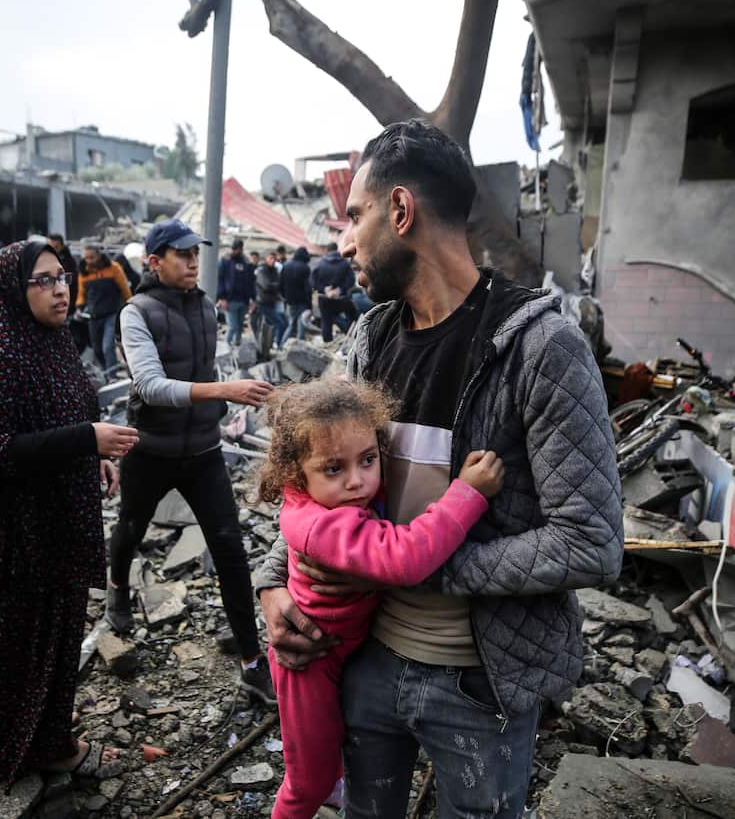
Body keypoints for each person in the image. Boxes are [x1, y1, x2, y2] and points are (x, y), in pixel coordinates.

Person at [255, 120, 623, 818]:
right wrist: (274, 582)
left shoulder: (542, 347)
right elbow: (317, 475)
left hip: (480, 684)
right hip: (364, 659)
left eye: (355, 216)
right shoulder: (370, 338)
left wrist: (409, 564)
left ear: (400, 212)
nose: (345, 241)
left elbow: (592, 541)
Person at [0, 239, 140, 786]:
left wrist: (95, 460)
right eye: (43, 280)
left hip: (56, 525)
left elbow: (77, 406)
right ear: (16, 290)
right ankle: (29, 747)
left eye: (61, 276)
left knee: (58, 636)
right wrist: (84, 439)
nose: (59, 288)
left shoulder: (56, 340)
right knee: (15, 644)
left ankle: (42, 735)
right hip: (13, 539)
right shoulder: (0, 354)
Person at [258, 379, 504, 818]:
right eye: (334, 469)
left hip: (343, 650)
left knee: (330, 746)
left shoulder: (332, 498)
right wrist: (467, 494)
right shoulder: (323, 525)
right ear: (297, 474)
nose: (358, 482)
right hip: (311, 662)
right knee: (305, 782)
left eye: (369, 460)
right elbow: (406, 558)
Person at [109, 219, 276, 704]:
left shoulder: (205, 307)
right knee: (130, 528)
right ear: (154, 261)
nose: (191, 263)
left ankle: (250, 660)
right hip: (151, 450)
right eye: (181, 255)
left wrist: (224, 409)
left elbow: (209, 368)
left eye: (194, 255)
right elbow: (149, 386)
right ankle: (118, 587)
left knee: (230, 549)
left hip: (203, 450)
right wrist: (224, 391)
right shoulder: (135, 312)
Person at [77, 243, 133, 378]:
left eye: (92, 257)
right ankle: (105, 374)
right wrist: (79, 308)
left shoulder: (113, 268)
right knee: (97, 349)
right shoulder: (84, 272)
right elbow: (81, 294)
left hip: (111, 314)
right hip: (93, 316)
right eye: (86, 258)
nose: (89, 261)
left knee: (107, 347)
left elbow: (125, 289)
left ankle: (112, 376)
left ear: (99, 255)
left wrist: (131, 304)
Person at [310, 242, 358, 343]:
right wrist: (340, 289)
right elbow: (351, 280)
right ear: (337, 250)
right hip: (341, 298)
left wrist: (324, 289)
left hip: (324, 298)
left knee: (326, 321)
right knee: (343, 317)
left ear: (326, 250)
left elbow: (312, 282)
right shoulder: (345, 263)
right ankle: (351, 337)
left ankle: (327, 344)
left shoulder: (320, 263)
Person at [215, 238, 255, 347]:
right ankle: (225, 348)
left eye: (236, 249)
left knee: (240, 327)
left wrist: (253, 299)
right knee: (233, 327)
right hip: (230, 300)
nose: (234, 251)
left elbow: (251, 282)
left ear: (241, 249)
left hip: (243, 300)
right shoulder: (225, 261)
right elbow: (220, 280)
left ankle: (237, 347)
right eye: (233, 249)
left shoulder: (246, 263)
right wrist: (222, 298)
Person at [253, 250, 288, 350]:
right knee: (278, 323)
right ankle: (275, 343)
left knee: (277, 323)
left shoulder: (274, 270)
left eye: (274, 259)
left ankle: (270, 344)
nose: (272, 261)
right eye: (270, 258)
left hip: (272, 301)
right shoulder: (262, 270)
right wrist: (275, 285)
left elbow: (278, 284)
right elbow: (266, 285)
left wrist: (275, 285)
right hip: (262, 302)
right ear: (266, 259)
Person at [279, 246, 313, 342]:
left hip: (290, 301)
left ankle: (281, 346)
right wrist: (309, 306)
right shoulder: (305, 268)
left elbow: (280, 284)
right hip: (302, 302)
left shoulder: (286, 266)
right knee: (301, 325)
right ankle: (299, 348)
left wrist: (285, 297)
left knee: (291, 325)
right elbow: (308, 289)